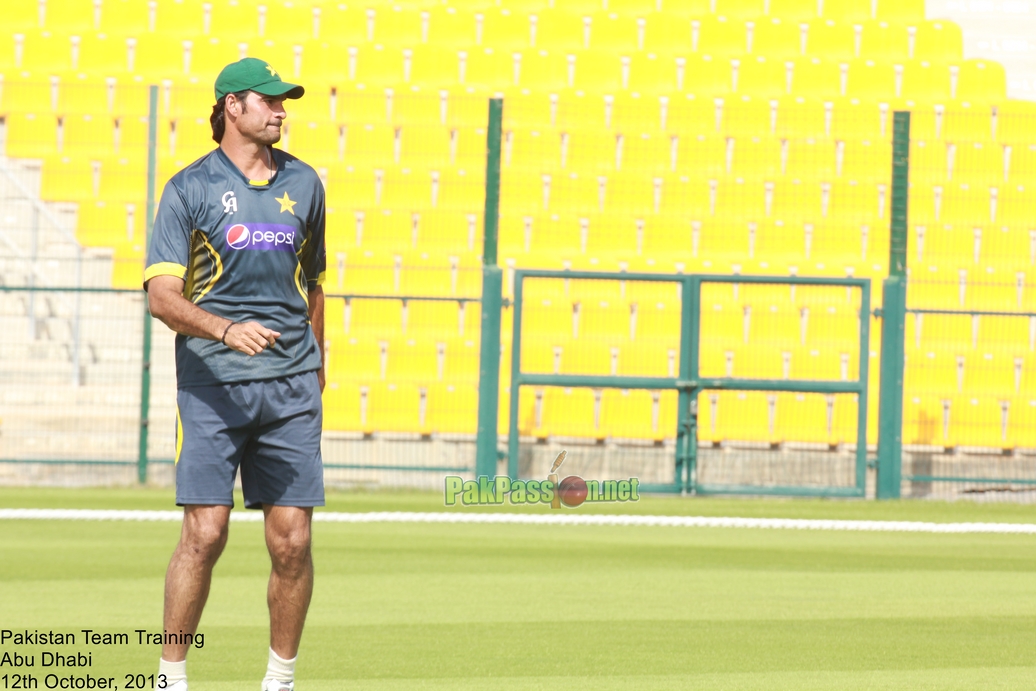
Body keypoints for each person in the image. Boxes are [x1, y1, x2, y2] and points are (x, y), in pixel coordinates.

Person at [143, 57, 327, 691]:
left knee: (293, 543)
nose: (281, 110)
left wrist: (319, 361)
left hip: (293, 383)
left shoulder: (307, 183)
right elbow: (161, 296)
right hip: (212, 383)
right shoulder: (188, 188)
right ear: (230, 107)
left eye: (285, 102)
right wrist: (224, 329)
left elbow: (317, 282)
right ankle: (171, 676)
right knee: (206, 531)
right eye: (268, 100)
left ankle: (279, 681)